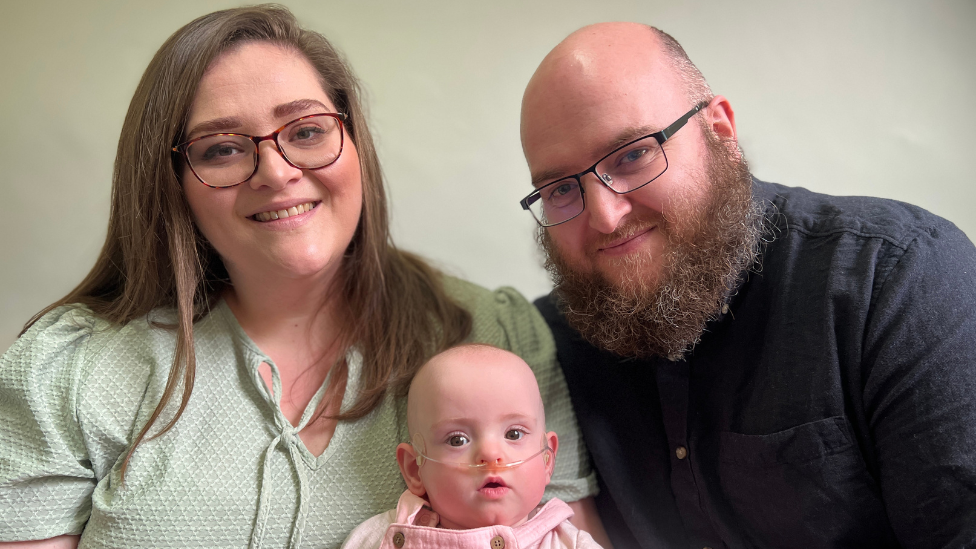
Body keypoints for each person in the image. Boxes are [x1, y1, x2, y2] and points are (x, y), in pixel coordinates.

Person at [0, 6, 601, 548]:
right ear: (172, 184)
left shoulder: (494, 335)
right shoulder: (68, 371)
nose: (277, 172)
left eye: (307, 132)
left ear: (354, 141)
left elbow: (563, 534)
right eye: (222, 149)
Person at [519, 22, 976, 549]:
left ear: (720, 131)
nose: (603, 215)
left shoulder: (897, 279)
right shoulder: (548, 347)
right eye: (559, 189)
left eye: (633, 154)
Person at [342, 344, 602, 549]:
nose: (490, 455)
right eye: (458, 440)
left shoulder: (570, 544)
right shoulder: (377, 538)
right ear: (414, 469)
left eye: (513, 433)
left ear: (547, 460)